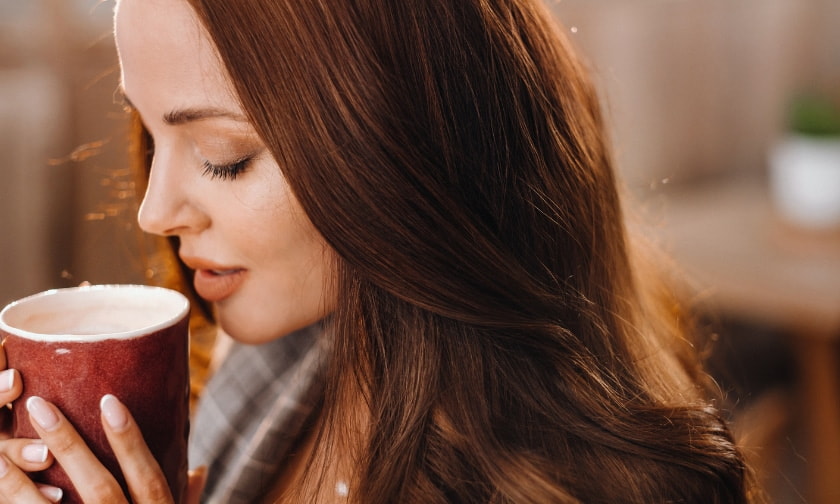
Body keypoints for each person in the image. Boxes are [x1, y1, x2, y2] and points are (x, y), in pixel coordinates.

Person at [0, 0, 759, 502]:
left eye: (223, 154)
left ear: (396, 153)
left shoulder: (561, 487)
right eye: (147, 131)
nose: (153, 211)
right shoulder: (270, 370)